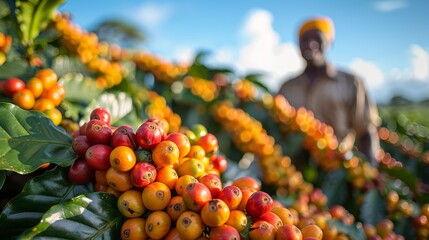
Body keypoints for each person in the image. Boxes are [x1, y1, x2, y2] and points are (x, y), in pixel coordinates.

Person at [278, 16, 381, 166]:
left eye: (317, 39)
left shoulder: (351, 82)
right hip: (295, 171)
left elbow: (366, 130)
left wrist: (371, 170)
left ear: (329, 43)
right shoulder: (287, 88)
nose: (310, 44)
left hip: (339, 166)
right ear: (298, 45)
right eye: (304, 39)